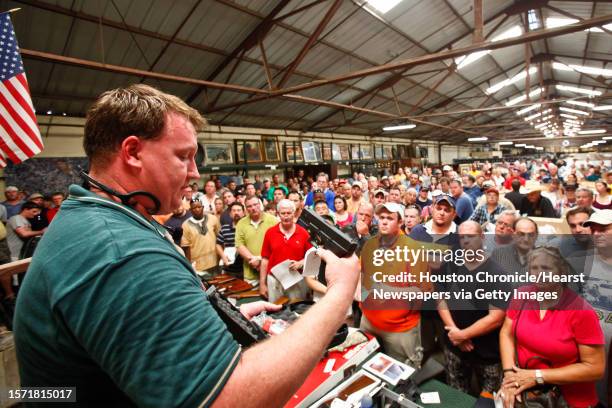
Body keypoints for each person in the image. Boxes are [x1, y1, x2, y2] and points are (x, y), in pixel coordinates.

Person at [13, 84, 360, 407]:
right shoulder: (121, 250)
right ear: (132, 152)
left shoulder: (94, 218)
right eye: (184, 156)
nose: (196, 173)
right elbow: (229, 399)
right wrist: (340, 293)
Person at [498, 247, 605, 408]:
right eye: (535, 268)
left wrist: (537, 376)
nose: (539, 273)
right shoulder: (522, 295)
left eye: (546, 268)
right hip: (528, 391)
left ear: (561, 271)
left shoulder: (581, 311)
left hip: (569, 400)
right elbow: (507, 333)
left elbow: (595, 368)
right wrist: (509, 377)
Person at [437, 221, 507, 398]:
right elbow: (440, 298)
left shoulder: (497, 273)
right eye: (462, 237)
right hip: (454, 346)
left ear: (482, 237)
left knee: (489, 400)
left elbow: (496, 317)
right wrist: (454, 332)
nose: (466, 241)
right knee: (456, 396)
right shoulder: (450, 264)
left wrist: (464, 335)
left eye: (471, 236)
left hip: (487, 353)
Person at [360, 202, 432, 367]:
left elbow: (423, 292)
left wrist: (388, 291)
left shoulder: (413, 250)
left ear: (400, 222)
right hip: (369, 321)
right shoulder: (370, 245)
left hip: (400, 329)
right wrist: (361, 298)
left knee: (403, 377)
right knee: (367, 369)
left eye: (390, 218)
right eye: (382, 218)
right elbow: (362, 276)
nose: (384, 222)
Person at [580, 210, 612, 405]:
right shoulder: (580, 260)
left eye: (604, 229)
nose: (596, 233)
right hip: (581, 350)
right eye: (593, 229)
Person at [260, 199, 312, 302]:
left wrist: (301, 263)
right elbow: (265, 260)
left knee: (298, 310)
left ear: (294, 213)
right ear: (278, 214)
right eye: (283, 213)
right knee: (275, 311)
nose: (286, 216)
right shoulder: (270, 233)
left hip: (296, 279)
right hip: (274, 280)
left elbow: (312, 257)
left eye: (289, 213)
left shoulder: (303, 233)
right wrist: (262, 284)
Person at [235, 195, 278, 286]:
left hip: (271, 272)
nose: (253, 208)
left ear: (260, 204)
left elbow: (278, 244)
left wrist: (262, 261)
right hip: (250, 274)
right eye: (249, 206)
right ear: (246, 209)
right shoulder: (241, 223)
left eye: (255, 204)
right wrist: (254, 261)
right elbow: (239, 245)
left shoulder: (273, 221)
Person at [181, 199, 221, 275]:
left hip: (215, 261)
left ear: (203, 207)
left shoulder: (213, 218)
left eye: (199, 207)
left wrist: (221, 257)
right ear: (190, 210)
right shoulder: (185, 225)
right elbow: (186, 247)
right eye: (194, 208)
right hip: (198, 266)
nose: (197, 209)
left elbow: (220, 238)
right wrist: (189, 265)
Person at [491, 217, 538, 282]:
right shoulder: (499, 254)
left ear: (536, 235)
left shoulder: (546, 258)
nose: (526, 239)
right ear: (513, 234)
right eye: (521, 234)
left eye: (531, 235)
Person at [216, 202, 246, 278]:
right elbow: (218, 244)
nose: (236, 212)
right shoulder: (224, 228)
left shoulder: (247, 228)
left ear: (243, 213)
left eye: (239, 210)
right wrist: (223, 257)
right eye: (234, 210)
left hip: (245, 267)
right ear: (230, 214)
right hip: (229, 267)